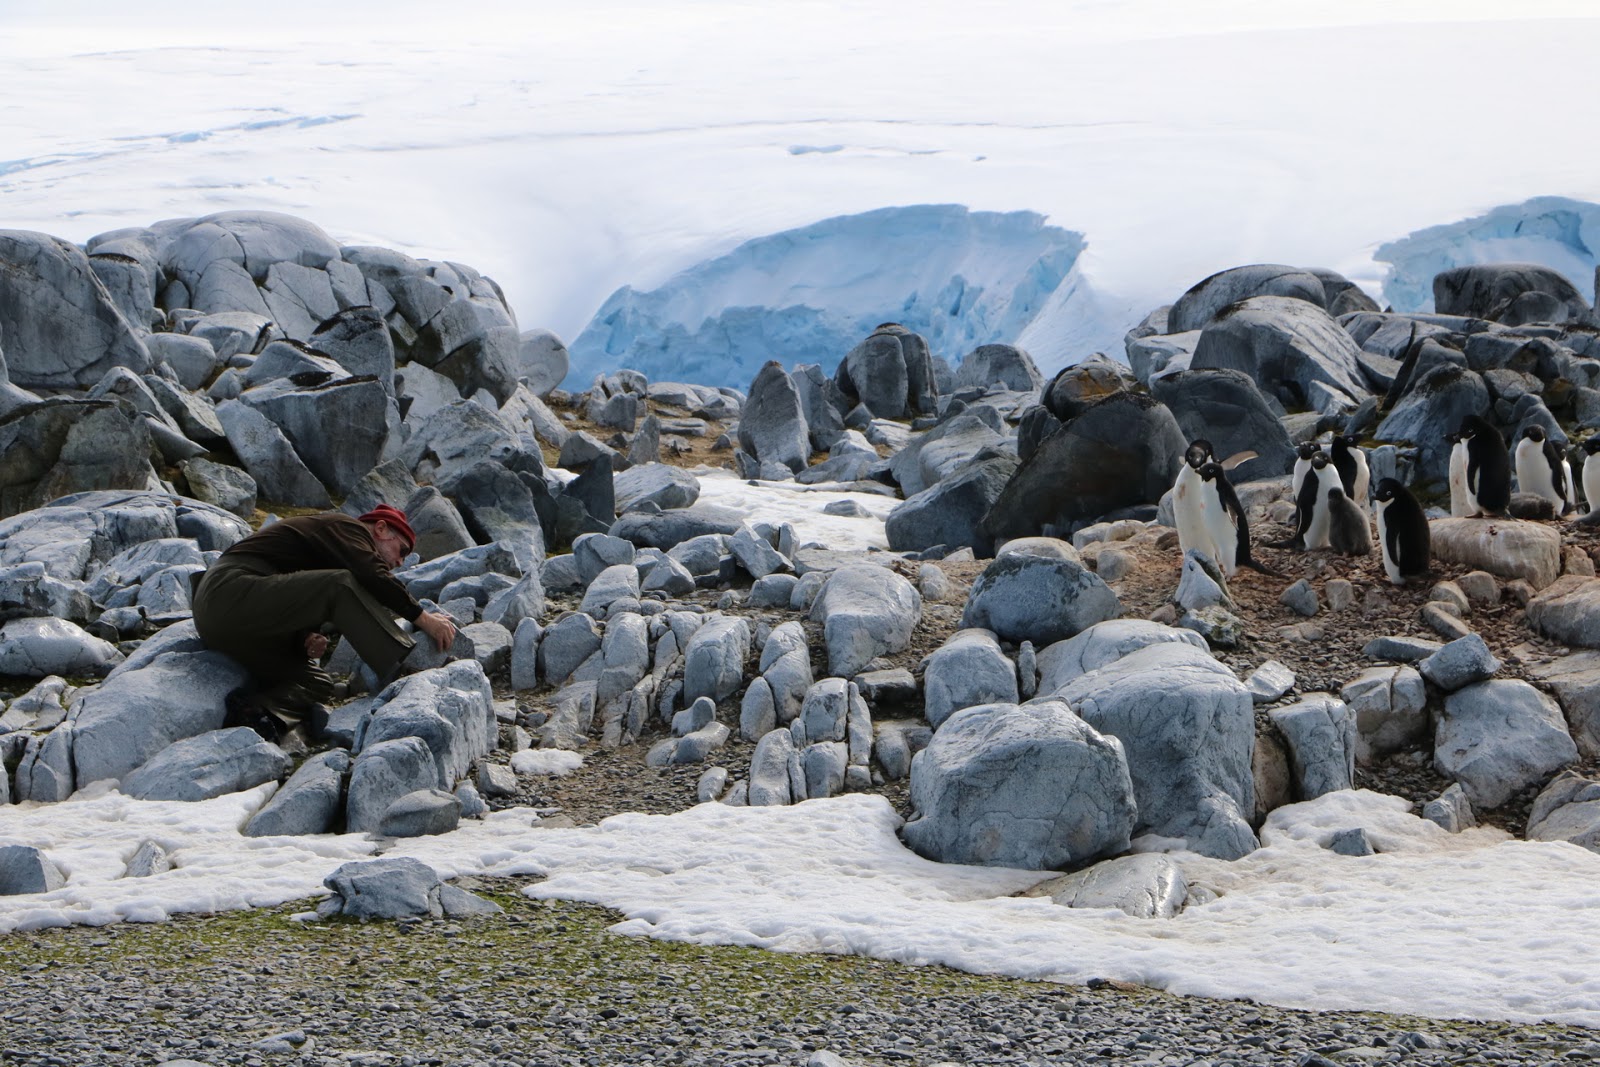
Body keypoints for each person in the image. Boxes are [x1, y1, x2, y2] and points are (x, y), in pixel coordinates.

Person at [191, 505, 457, 741]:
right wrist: (424, 619)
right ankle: (402, 670)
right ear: (380, 528)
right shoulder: (346, 527)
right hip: (226, 592)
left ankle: (258, 714)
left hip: (230, 627)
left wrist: (304, 639)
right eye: (401, 550)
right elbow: (370, 574)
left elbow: (288, 591)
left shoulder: (329, 547)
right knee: (339, 584)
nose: (399, 562)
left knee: (316, 681)